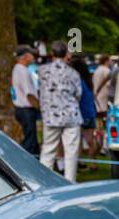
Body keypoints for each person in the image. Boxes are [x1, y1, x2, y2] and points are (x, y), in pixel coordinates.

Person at [37, 40, 83, 182]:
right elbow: (78, 94)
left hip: (51, 115)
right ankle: (70, 182)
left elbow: (40, 91)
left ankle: (44, 182)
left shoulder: (42, 71)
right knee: (71, 152)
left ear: (52, 53)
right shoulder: (73, 73)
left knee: (48, 151)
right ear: (66, 54)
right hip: (71, 115)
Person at [9, 46, 41, 154]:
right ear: (26, 56)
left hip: (21, 109)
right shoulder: (23, 71)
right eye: (31, 54)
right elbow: (30, 95)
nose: (33, 57)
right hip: (26, 110)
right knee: (30, 142)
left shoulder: (18, 69)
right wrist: (40, 108)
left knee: (31, 139)